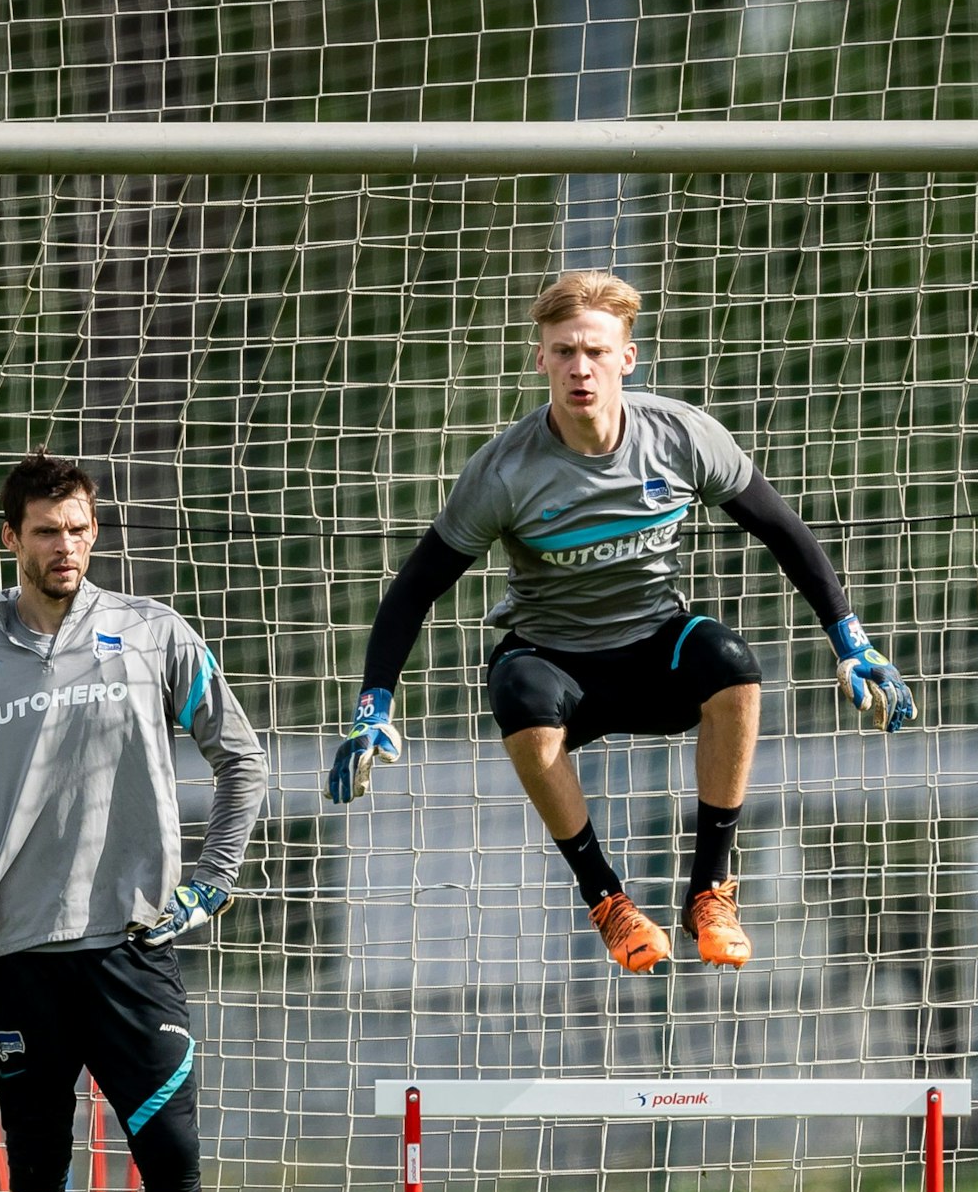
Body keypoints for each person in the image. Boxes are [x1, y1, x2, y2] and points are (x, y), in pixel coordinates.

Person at [326, 270, 915, 972]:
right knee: (516, 688)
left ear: (626, 358)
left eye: (597, 352)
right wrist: (373, 707)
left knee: (731, 662)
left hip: (654, 654)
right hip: (558, 663)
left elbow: (784, 532)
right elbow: (414, 589)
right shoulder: (504, 472)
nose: (581, 368)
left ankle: (710, 893)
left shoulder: (682, 436)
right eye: (565, 351)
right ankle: (608, 900)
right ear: (540, 358)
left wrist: (852, 643)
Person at [0, 451, 267, 1192]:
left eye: (80, 529)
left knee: (172, 1157)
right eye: (46, 531)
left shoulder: (153, 632)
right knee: (37, 1171)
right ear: (10, 539)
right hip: (9, 960)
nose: (66, 547)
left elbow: (242, 761)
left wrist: (209, 884)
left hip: (133, 952)